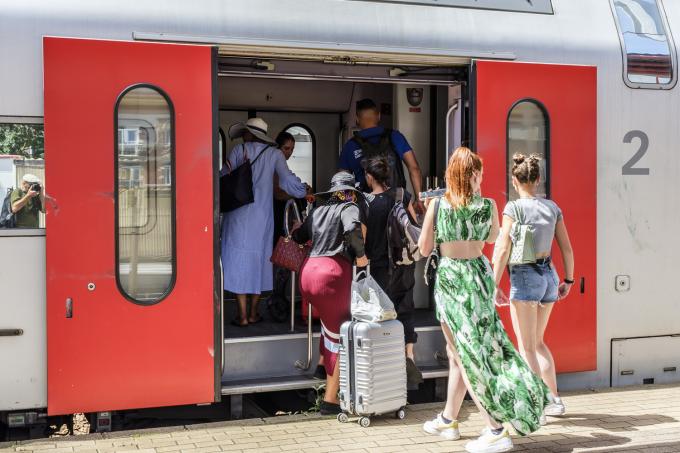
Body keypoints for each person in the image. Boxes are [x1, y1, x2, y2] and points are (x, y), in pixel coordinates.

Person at [418, 147, 549, 453]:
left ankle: (494, 428)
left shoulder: (438, 205)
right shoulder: (488, 205)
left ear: (452, 175)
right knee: (464, 352)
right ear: (474, 174)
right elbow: (491, 239)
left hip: (451, 281)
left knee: (465, 356)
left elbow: (424, 249)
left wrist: (429, 214)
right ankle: (449, 419)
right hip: (479, 276)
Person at [492, 154, 575, 417]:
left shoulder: (513, 209)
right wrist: (568, 280)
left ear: (514, 181)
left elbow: (504, 248)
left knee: (526, 346)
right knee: (538, 342)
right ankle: (555, 400)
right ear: (537, 180)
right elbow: (567, 250)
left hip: (525, 277)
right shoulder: (552, 207)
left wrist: (494, 284)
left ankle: (537, 403)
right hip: (549, 276)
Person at [292, 171, 368, 415]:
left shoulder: (318, 211)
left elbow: (299, 236)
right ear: (350, 193)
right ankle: (330, 400)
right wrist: (362, 257)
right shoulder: (349, 207)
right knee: (341, 336)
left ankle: (321, 366)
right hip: (333, 276)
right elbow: (353, 231)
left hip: (308, 274)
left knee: (329, 327)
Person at [221, 118, 308, 327]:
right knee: (259, 262)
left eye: (245, 132)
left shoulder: (239, 150)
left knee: (238, 262)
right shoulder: (275, 154)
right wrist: (304, 190)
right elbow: (287, 180)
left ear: (250, 134)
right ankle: (253, 313)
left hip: (238, 215)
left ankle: (241, 316)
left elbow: (224, 175)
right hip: (262, 218)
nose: (243, 136)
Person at [362, 156, 423, 388]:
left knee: (383, 315)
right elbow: (412, 225)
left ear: (370, 177)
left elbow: (364, 240)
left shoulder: (367, 203)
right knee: (405, 309)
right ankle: (409, 357)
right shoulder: (402, 195)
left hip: (380, 269)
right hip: (404, 264)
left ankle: (385, 365)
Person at [339, 98, 425, 217]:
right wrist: (419, 198)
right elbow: (414, 168)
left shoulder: (350, 146)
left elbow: (342, 180)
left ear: (357, 119)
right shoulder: (395, 137)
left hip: (367, 207)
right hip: (397, 204)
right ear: (378, 116)